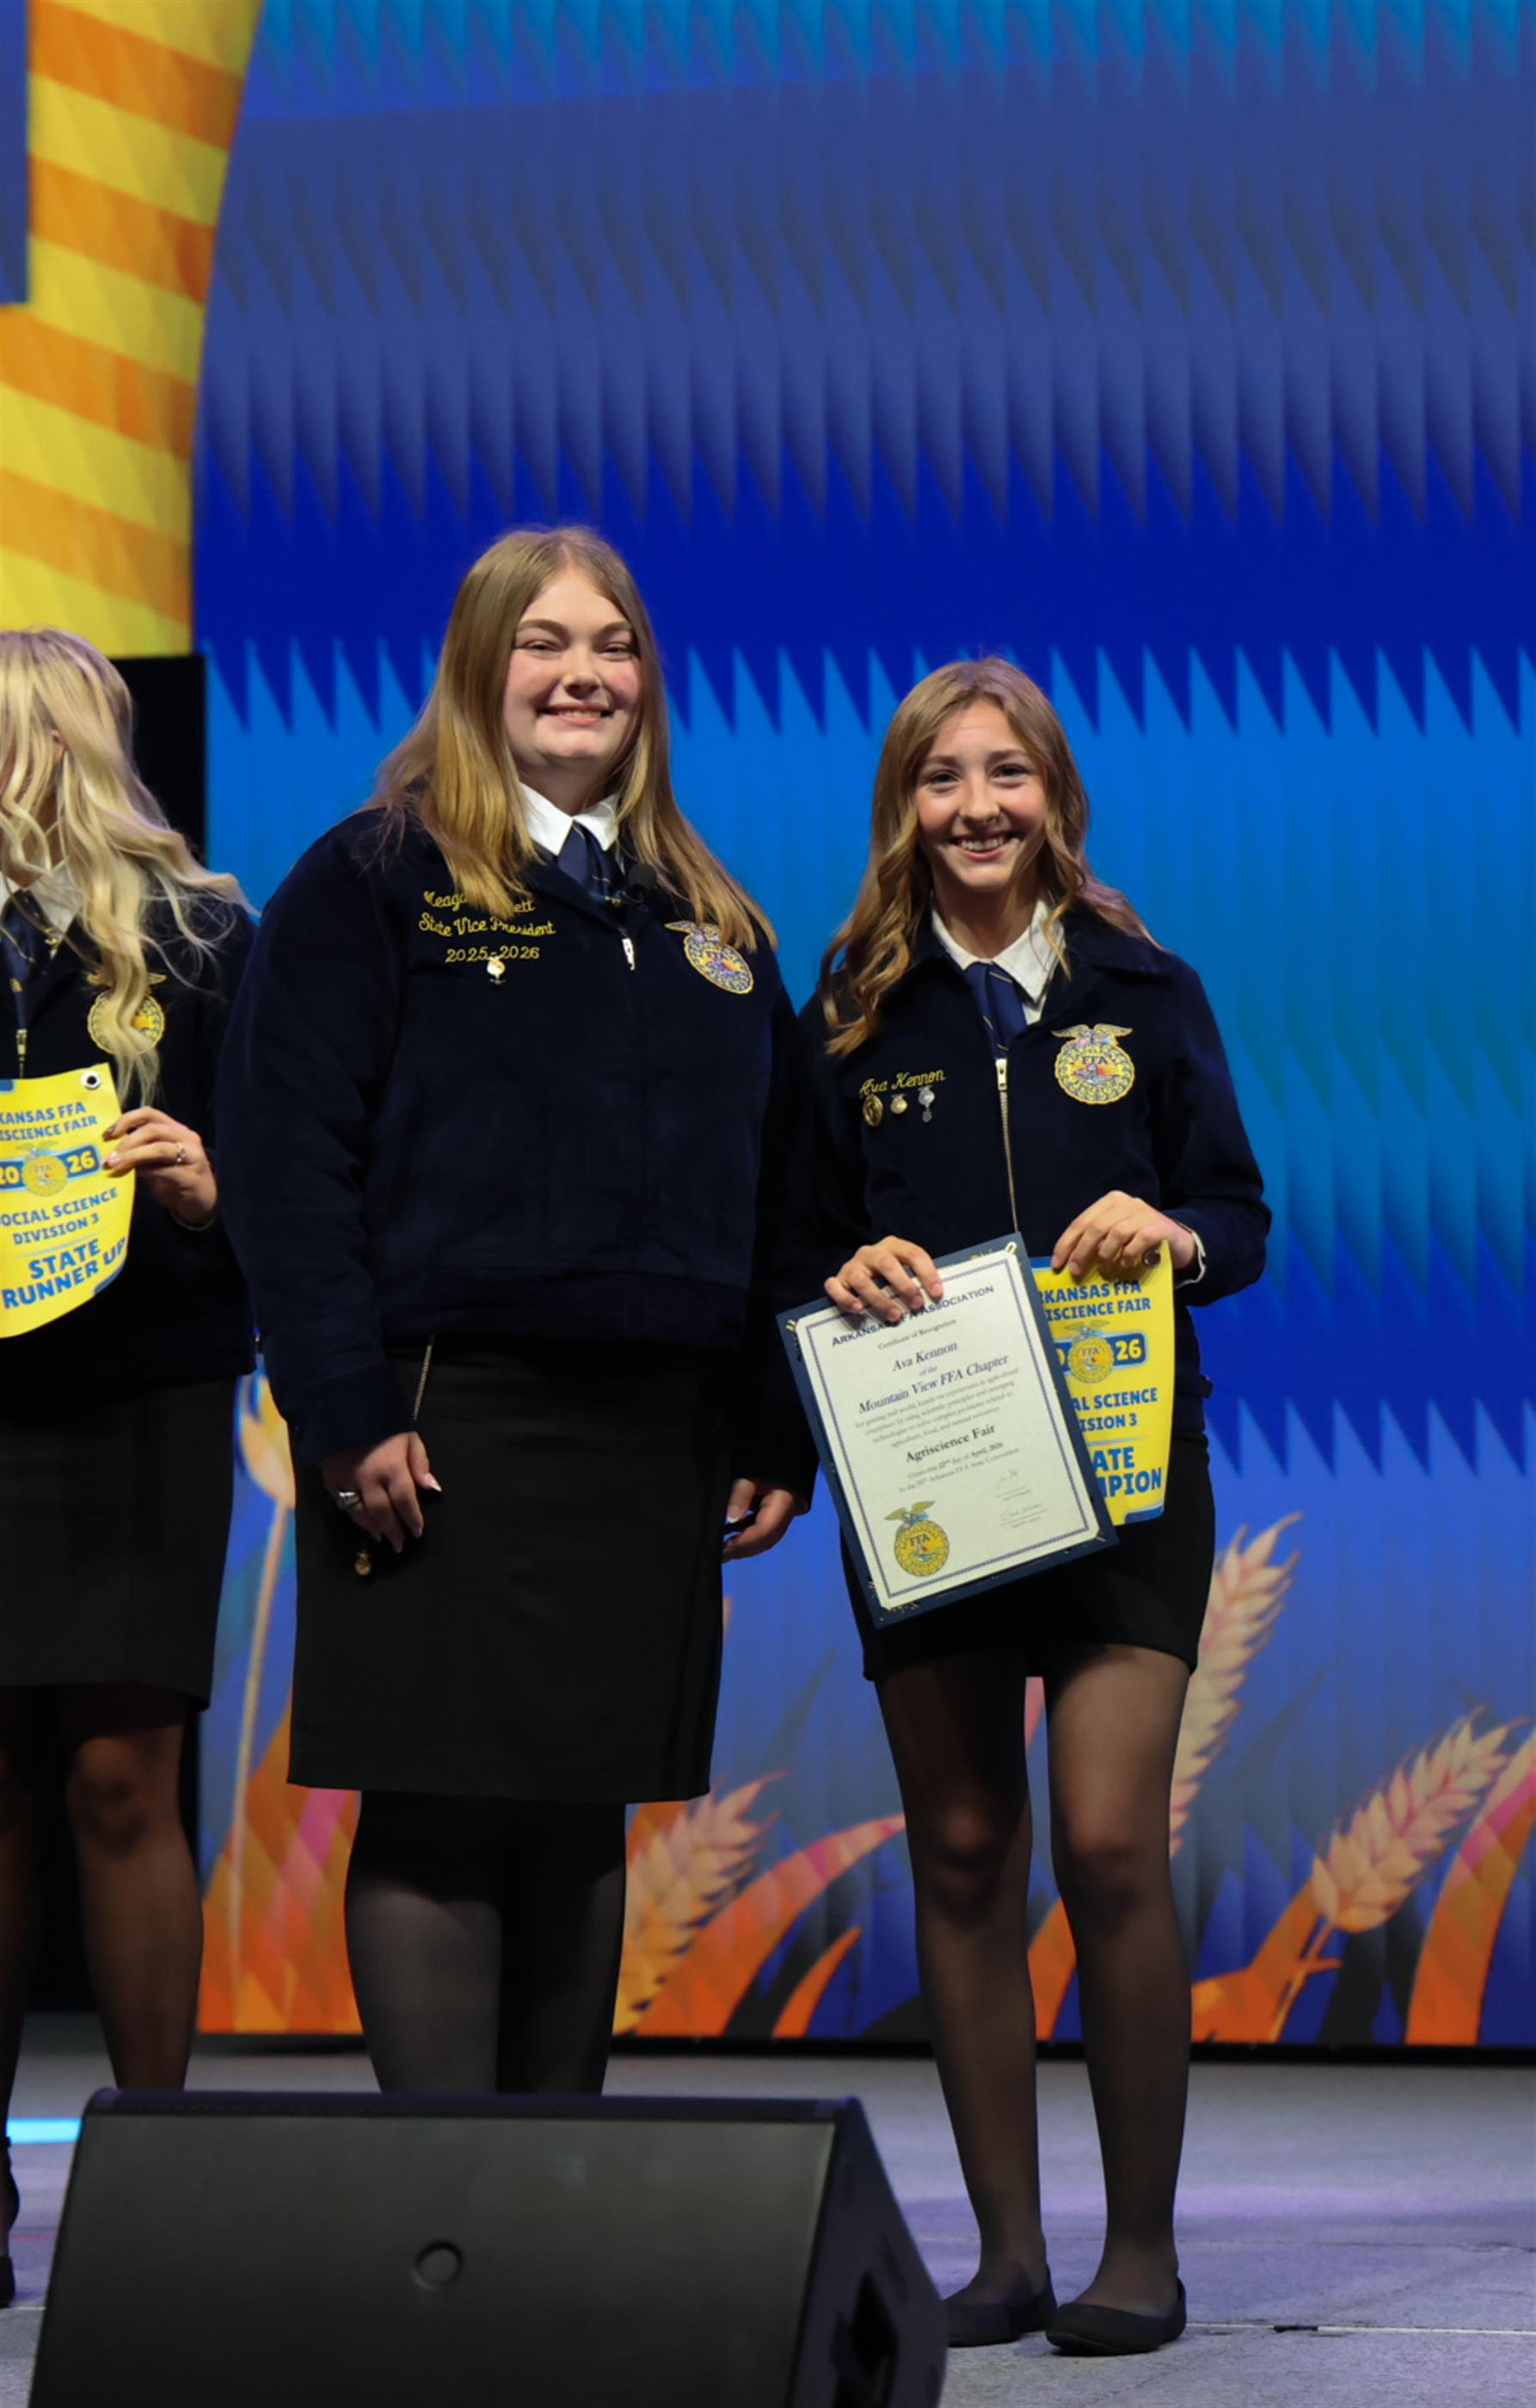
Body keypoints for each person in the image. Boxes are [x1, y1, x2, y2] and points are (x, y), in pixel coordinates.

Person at [217, 525, 811, 2101]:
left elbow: (783, 1197)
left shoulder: (715, 921)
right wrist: (344, 1409)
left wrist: (773, 1425)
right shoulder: (370, 878)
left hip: (653, 1442)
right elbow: (284, 1160)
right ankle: (446, 2205)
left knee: (580, 1805)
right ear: (480, 668)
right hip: (437, 1424)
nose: (580, 673)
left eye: (612, 644)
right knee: (435, 1802)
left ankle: (548, 2194)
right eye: (543, 641)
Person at [801, 660, 1268, 2356]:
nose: (975, 806)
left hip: (1128, 1473)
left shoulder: (1145, 989)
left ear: (1053, 797)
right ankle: (1003, 2254)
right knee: (960, 1845)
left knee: (1103, 1837)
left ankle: (1137, 2251)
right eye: (941, 778)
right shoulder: (851, 1008)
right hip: (929, 1467)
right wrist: (838, 1264)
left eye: (1005, 773)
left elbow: (1239, 1212)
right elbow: (791, 1236)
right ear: (903, 807)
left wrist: (1175, 1233)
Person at [0, 630, 253, 2310]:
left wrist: (204, 1183)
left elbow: (285, 1181)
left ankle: (155, 2177)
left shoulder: (206, 933)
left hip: (143, 1390)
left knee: (120, 1780)